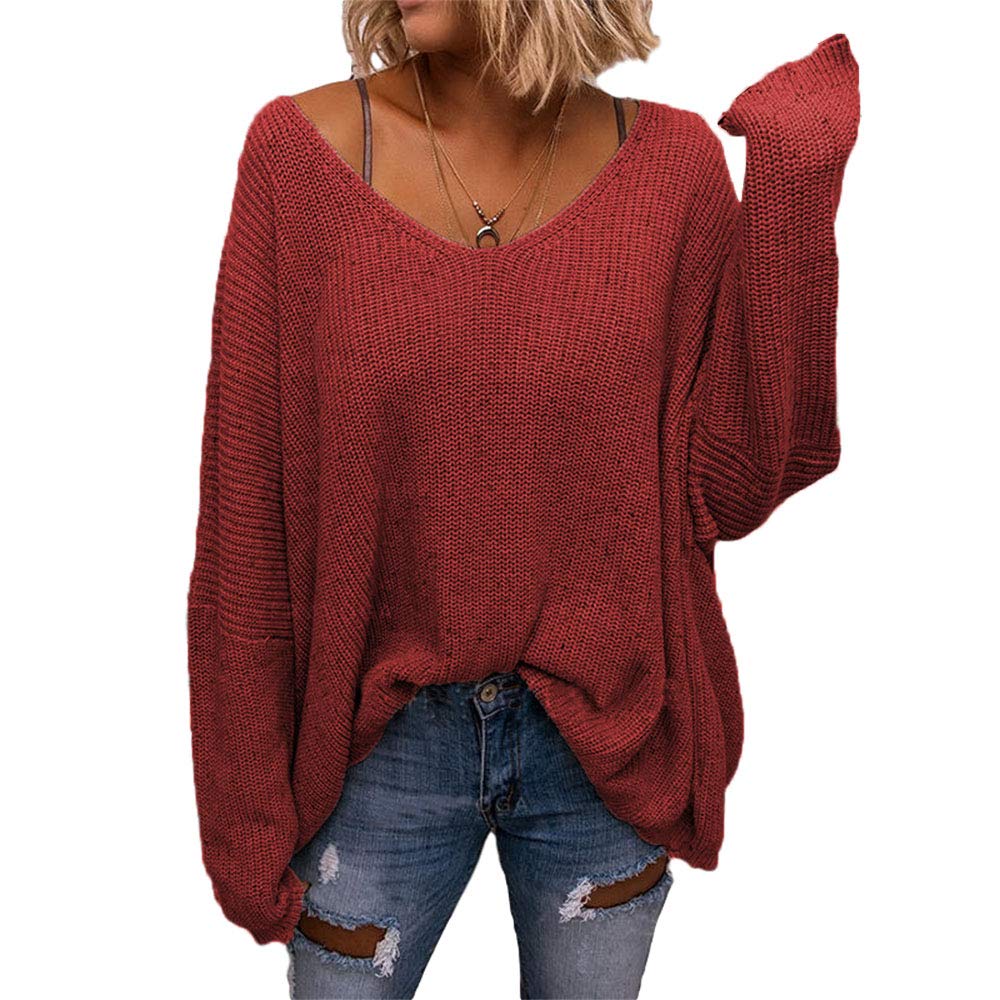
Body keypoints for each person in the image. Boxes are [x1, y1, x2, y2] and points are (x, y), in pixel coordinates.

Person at [185, 1, 860, 997]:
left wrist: (794, 186)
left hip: (606, 748)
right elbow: (246, 516)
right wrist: (243, 819)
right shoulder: (300, 159)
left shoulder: (672, 171)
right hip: (374, 747)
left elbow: (737, 479)